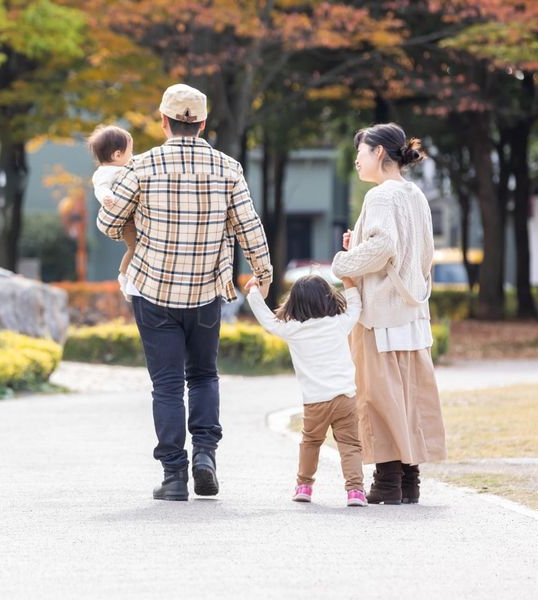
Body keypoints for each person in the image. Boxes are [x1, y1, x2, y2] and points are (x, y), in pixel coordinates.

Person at [97, 83, 272, 501]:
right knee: (205, 375)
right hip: (207, 291)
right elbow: (248, 225)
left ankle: (174, 476)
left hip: (153, 292)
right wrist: (262, 272)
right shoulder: (228, 167)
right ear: (204, 123)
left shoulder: (142, 167)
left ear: (163, 121)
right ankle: (206, 456)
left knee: (167, 385)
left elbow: (107, 223)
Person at [332, 122, 447, 505]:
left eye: (361, 152)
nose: (357, 159)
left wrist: (343, 260)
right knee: (408, 395)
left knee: (379, 396)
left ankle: (386, 480)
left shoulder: (381, 197)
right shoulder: (414, 194)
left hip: (380, 313)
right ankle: (408, 479)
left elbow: (382, 248)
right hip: (412, 313)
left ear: (379, 153)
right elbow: (424, 252)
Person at [245, 274, 367, 507]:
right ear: (327, 298)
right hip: (345, 398)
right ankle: (355, 492)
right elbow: (356, 309)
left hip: (315, 402)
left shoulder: (293, 329)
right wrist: (350, 285)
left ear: (295, 303)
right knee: (350, 445)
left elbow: (267, 321)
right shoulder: (338, 322)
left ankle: (304, 486)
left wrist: (253, 292)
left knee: (311, 442)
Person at [88, 125, 136, 300]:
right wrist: (107, 197)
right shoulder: (104, 173)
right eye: (130, 151)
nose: (132, 155)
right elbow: (100, 189)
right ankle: (124, 276)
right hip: (127, 222)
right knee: (135, 246)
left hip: (135, 215)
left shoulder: (127, 166)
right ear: (117, 155)